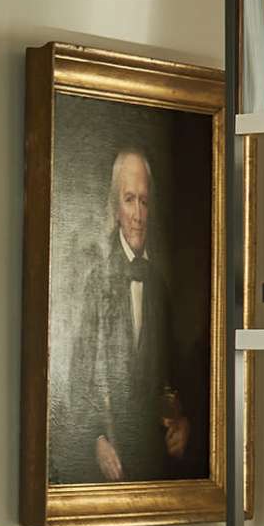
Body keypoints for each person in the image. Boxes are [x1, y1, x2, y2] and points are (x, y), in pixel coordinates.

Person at [60, 144, 195, 482]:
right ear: (115, 208)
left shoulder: (160, 288)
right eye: (129, 199)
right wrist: (96, 441)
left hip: (153, 466)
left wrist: (184, 424)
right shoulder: (96, 282)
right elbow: (78, 383)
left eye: (144, 201)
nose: (138, 214)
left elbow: (177, 378)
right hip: (107, 469)